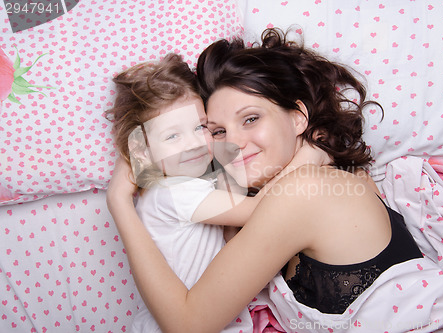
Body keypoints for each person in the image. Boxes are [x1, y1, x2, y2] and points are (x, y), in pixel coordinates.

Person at [106, 28, 423, 332]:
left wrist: (119, 202)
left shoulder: (305, 189)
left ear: (298, 117)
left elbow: (187, 325)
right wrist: (310, 155)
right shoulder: (327, 179)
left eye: (250, 119)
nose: (233, 143)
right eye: (216, 131)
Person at [106, 52, 326, 332]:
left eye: (200, 127)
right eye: (172, 136)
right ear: (141, 149)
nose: (194, 144)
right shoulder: (175, 191)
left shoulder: (182, 186)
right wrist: (309, 156)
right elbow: (264, 209)